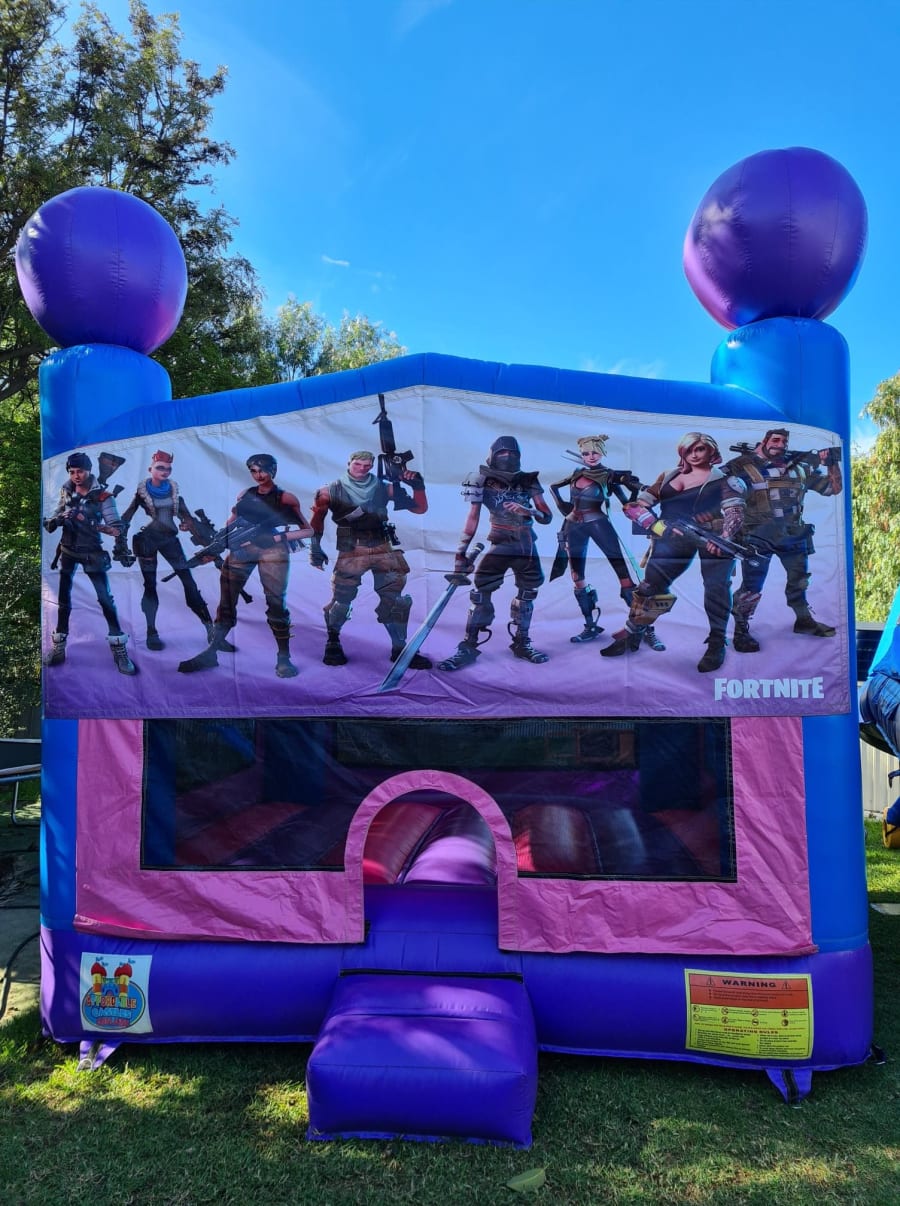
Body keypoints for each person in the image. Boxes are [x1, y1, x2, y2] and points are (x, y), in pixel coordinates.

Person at [600, 433, 746, 673]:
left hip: (712, 537)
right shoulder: (668, 476)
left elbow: (735, 512)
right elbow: (637, 506)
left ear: (711, 451)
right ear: (682, 452)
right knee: (649, 587)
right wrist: (659, 527)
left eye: (700, 449)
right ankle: (633, 633)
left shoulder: (724, 479)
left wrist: (725, 538)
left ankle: (717, 642)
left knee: (717, 589)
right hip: (671, 537)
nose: (695, 454)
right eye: (690, 450)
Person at [178, 453, 311, 678]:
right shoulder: (245, 495)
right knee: (226, 603)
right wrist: (216, 546)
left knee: (276, 603)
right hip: (243, 548)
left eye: (263, 470)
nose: (259, 475)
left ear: (273, 470)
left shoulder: (286, 498)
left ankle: (283, 658)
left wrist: (276, 538)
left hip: (271, 549)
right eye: (254, 471)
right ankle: (212, 652)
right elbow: (230, 525)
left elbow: (308, 530)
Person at [438, 435, 553, 670]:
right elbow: (472, 517)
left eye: (512, 453)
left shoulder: (528, 480)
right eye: (502, 452)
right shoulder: (480, 479)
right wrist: (461, 552)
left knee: (528, 593)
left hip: (526, 543)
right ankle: (468, 647)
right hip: (500, 541)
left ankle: (522, 643)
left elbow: (546, 516)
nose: (507, 456)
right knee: (480, 593)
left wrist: (528, 510)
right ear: (492, 455)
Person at [723, 428, 842, 651]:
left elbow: (833, 489)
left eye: (784, 442)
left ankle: (803, 620)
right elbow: (718, 488)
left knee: (799, 581)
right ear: (764, 441)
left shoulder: (800, 468)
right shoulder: (742, 465)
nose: (780, 445)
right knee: (751, 587)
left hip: (793, 535)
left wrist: (831, 463)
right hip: (757, 536)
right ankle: (740, 630)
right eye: (776, 440)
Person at [309, 450, 431, 668]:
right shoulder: (329, 491)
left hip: (382, 546)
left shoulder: (384, 487)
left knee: (395, 601)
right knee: (341, 600)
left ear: (373, 466)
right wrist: (315, 549)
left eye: (367, 465)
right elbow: (317, 521)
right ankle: (333, 642)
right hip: (352, 549)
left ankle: (399, 647)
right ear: (349, 463)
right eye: (358, 464)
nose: (362, 469)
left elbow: (420, 509)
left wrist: (418, 486)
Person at [549, 434, 663, 650]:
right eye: (586, 453)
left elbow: (627, 503)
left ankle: (646, 628)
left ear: (602, 453)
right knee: (577, 577)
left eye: (595, 452)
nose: (591, 457)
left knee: (625, 578)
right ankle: (590, 626)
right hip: (573, 526)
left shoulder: (609, 476)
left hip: (598, 524)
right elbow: (553, 486)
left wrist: (634, 488)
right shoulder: (577, 473)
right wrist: (562, 506)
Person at [42, 451, 137, 675]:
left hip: (92, 553)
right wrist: (58, 519)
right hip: (67, 551)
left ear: (89, 471)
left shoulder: (104, 496)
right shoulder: (66, 491)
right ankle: (59, 647)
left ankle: (119, 647)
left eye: (80, 471)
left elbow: (117, 529)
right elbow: (53, 518)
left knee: (105, 599)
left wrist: (91, 523)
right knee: (63, 600)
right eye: (72, 472)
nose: (76, 476)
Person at [120, 450, 220, 651]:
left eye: (168, 469)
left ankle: (210, 628)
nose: (164, 472)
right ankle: (151, 632)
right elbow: (126, 518)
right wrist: (120, 543)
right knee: (150, 586)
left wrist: (188, 525)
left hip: (169, 540)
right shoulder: (141, 494)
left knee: (189, 582)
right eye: (160, 468)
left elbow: (188, 519)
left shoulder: (175, 495)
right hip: (148, 540)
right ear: (151, 469)